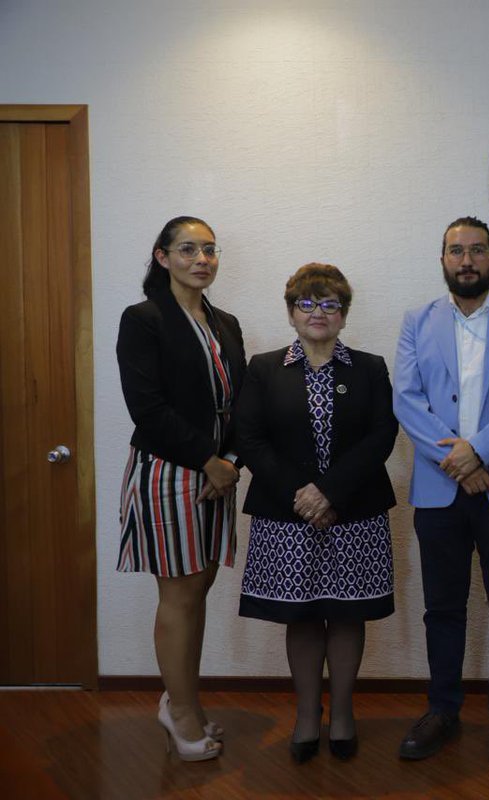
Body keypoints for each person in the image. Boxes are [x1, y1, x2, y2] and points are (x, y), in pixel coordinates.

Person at [392, 216, 489, 765]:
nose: (466, 261)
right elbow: (407, 400)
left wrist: (477, 452)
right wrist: (458, 461)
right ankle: (443, 710)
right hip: (440, 492)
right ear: (442, 260)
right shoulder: (417, 322)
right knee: (443, 606)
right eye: (456, 251)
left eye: (477, 251)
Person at [236, 263, 398, 763]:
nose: (318, 313)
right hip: (287, 517)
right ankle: (308, 716)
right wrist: (302, 496)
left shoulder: (369, 368)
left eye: (329, 304)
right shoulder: (264, 368)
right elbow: (250, 437)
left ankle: (343, 714)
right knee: (301, 616)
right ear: (290, 313)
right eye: (306, 303)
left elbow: (381, 436)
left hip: (355, 514)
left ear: (344, 315)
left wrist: (329, 492)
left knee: (347, 615)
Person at [116, 216, 245, 761]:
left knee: (200, 591)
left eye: (209, 250)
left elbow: (240, 401)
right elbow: (146, 408)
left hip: (218, 473)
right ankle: (182, 712)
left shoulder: (227, 323)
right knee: (179, 593)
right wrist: (206, 460)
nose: (201, 259)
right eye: (188, 249)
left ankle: (180, 699)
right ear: (162, 256)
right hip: (171, 468)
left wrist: (229, 460)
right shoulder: (144, 319)